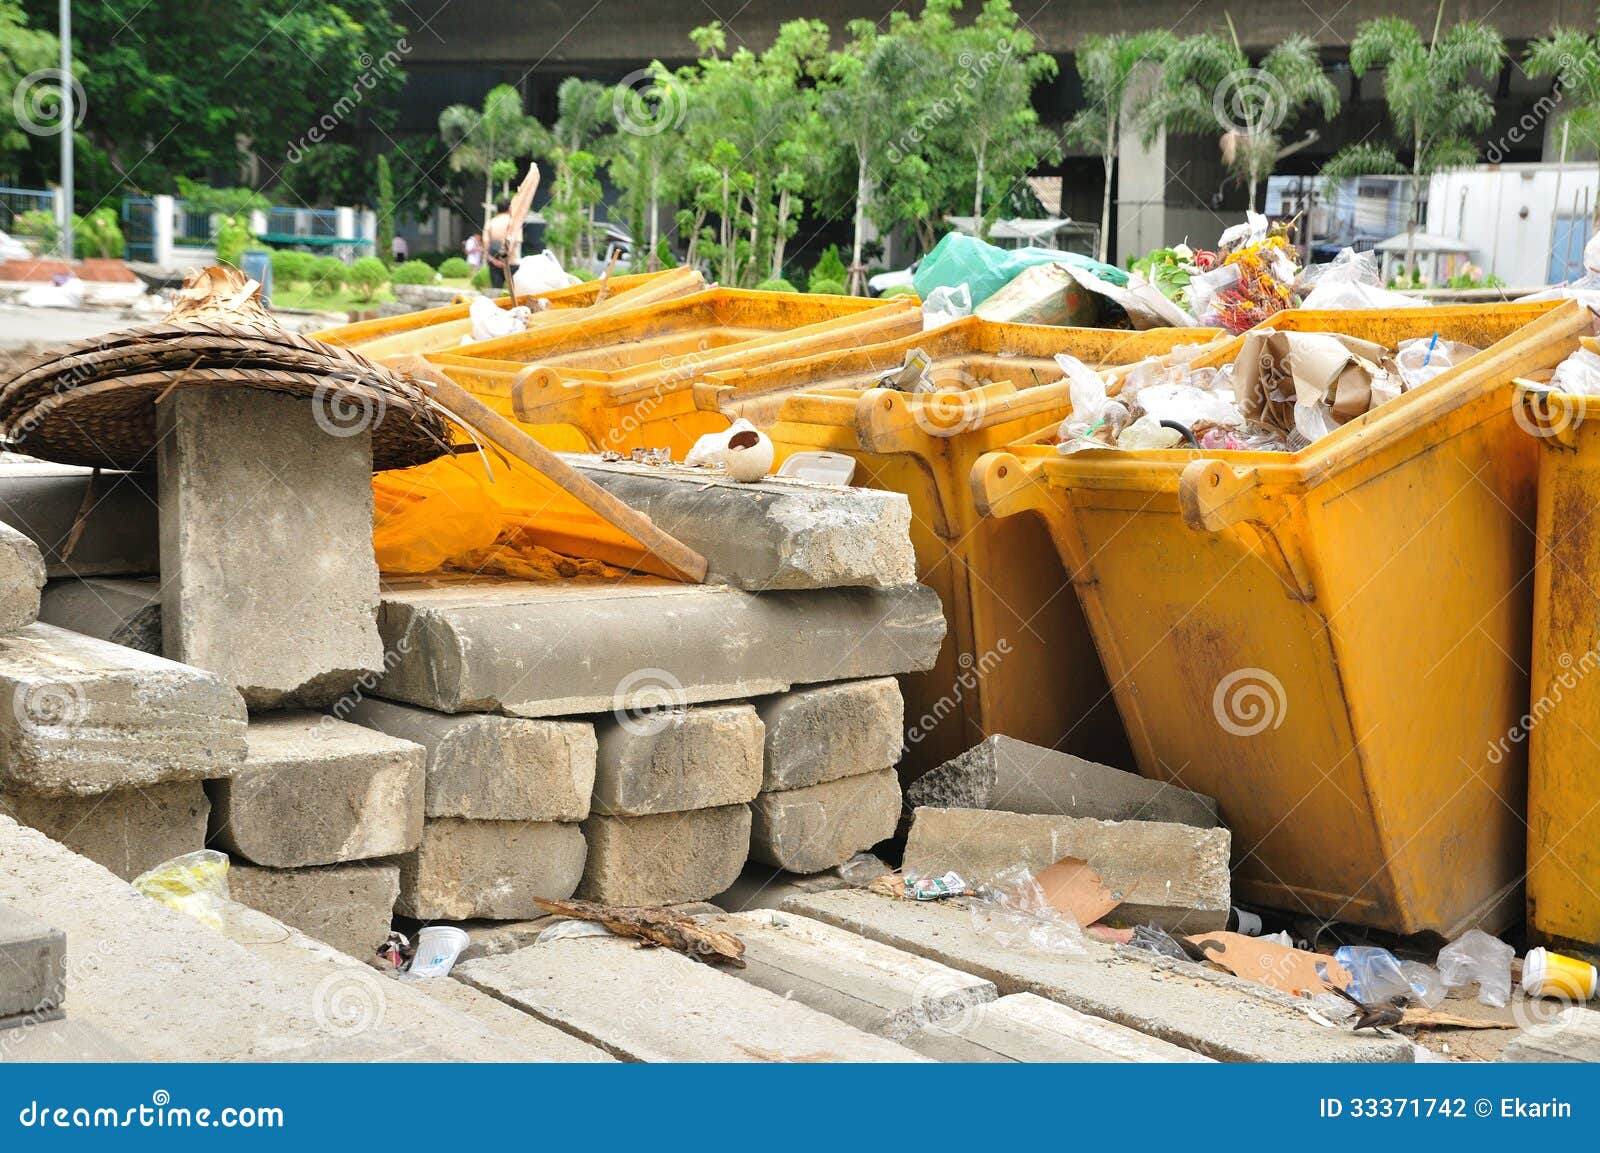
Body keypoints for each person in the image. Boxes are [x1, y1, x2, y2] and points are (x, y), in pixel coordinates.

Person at [483, 162, 540, 292]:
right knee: (514, 292)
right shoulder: (514, 222)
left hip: (494, 262)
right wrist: (506, 259)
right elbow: (515, 242)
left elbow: (486, 242)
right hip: (511, 262)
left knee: (496, 292)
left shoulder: (490, 222)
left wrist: (491, 259)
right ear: (509, 208)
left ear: (497, 209)